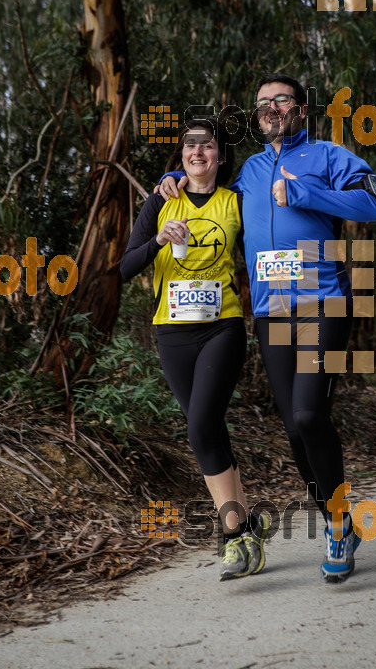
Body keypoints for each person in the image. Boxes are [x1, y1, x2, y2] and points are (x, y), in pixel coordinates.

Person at [158, 74, 376, 583]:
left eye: (281, 99)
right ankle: (341, 523)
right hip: (271, 313)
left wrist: (308, 193)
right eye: (262, 102)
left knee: (309, 415)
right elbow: (207, 195)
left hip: (323, 301)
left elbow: (375, 203)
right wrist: (170, 180)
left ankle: (336, 523)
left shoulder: (328, 156)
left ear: (301, 109)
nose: (271, 107)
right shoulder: (250, 172)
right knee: (293, 429)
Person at [120, 118, 269, 581]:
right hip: (172, 333)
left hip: (222, 327)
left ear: (220, 157)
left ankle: (231, 537)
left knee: (200, 425)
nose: (198, 152)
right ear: (181, 156)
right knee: (208, 431)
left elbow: (264, 252)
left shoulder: (236, 202)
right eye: (190, 146)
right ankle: (249, 527)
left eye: (208, 146)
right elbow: (124, 267)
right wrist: (159, 241)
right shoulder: (161, 202)